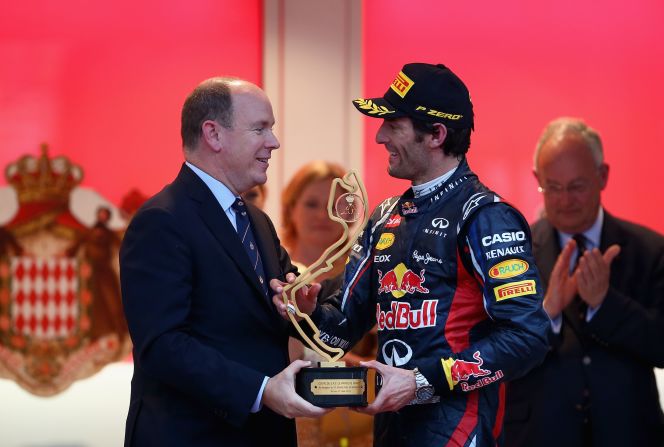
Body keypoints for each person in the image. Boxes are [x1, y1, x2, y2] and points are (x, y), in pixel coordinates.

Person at [272, 63, 550, 446]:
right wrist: (306, 311)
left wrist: (421, 381)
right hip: (391, 430)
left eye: (394, 125)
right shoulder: (385, 216)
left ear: (436, 134)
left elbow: (528, 336)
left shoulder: (486, 217)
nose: (380, 136)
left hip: (461, 430)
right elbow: (338, 333)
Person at [120, 77, 328, 447]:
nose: (273, 143)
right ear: (213, 135)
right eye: (260, 129)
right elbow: (162, 345)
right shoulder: (161, 221)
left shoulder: (257, 221)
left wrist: (300, 305)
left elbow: (276, 307)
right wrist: (262, 390)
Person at [503, 117, 664, 446]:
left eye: (576, 186)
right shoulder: (512, 254)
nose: (564, 200)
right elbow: (495, 354)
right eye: (553, 187)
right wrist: (547, 312)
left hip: (630, 433)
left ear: (602, 176)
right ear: (538, 180)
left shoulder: (651, 250)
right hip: (539, 435)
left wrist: (606, 305)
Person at [280, 160, 376, 447]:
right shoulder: (269, 271)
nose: (323, 215)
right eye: (311, 204)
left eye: (333, 206)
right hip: (287, 426)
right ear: (290, 208)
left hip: (361, 429)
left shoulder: (367, 279)